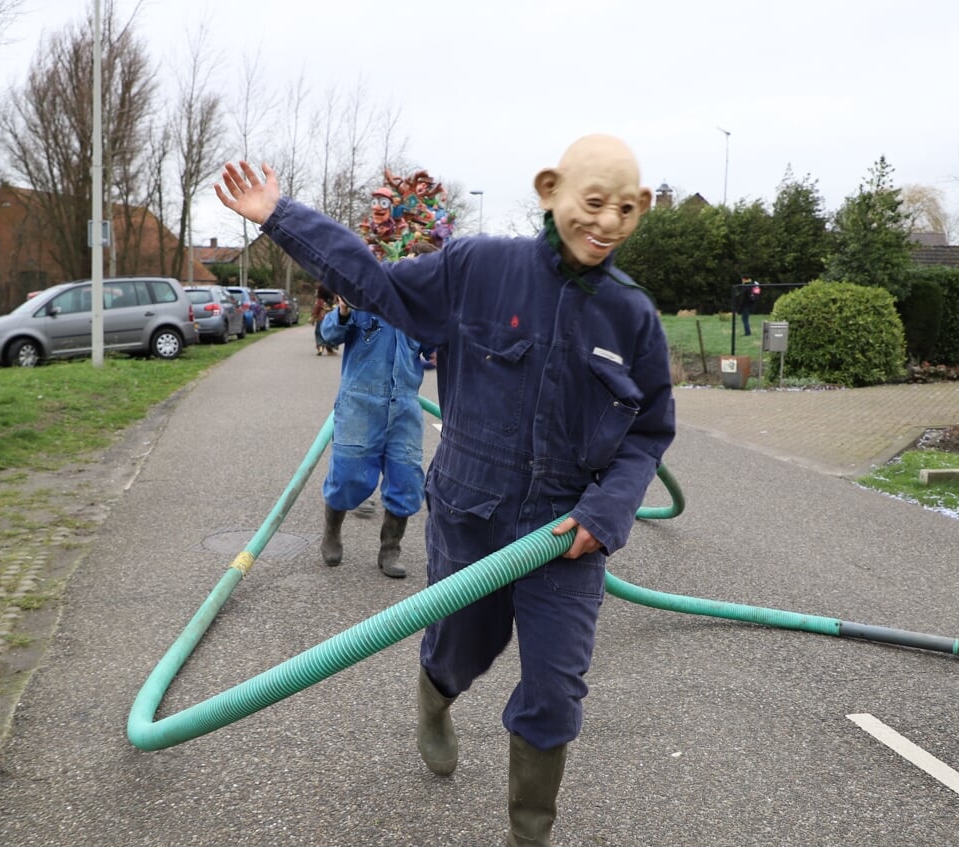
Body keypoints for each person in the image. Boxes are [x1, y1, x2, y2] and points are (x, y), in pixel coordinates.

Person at [214, 134, 676, 847]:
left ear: (640, 209)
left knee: (555, 690)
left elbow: (648, 431)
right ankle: (434, 697)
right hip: (473, 513)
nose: (607, 222)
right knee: (465, 647)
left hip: (565, 534)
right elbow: (378, 284)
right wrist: (280, 215)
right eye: (592, 202)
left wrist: (606, 510)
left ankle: (528, 833)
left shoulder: (632, 316)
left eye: (625, 208)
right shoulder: (478, 268)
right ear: (549, 189)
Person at [317, 292, 433, 578]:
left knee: (405, 479)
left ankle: (390, 548)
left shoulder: (417, 308)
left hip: (404, 406)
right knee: (346, 476)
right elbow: (329, 334)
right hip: (359, 404)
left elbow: (431, 350)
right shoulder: (361, 300)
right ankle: (332, 532)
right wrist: (343, 312)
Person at [311, 285, 337, 355]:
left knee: (319, 333)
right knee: (329, 334)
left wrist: (313, 317)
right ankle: (330, 349)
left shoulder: (320, 301)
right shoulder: (332, 301)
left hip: (321, 318)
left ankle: (320, 347)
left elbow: (316, 308)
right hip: (330, 319)